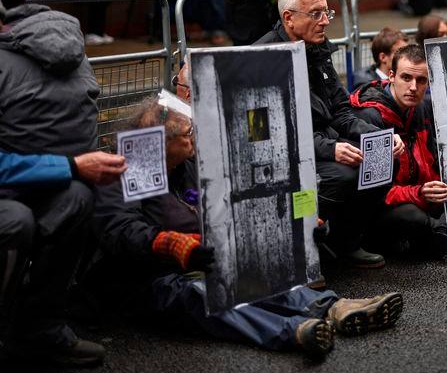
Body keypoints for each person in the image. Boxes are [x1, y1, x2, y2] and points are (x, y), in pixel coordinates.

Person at [87, 98, 403, 358]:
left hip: (202, 258)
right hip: (150, 278)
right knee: (204, 295)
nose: (195, 139)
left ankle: (332, 307)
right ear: (161, 141)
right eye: (188, 133)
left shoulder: (186, 165)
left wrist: (296, 225)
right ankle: (291, 331)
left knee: (252, 270)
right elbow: (120, 230)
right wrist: (172, 244)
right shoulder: (123, 170)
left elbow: (237, 205)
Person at [0, 0, 118, 365]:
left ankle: (37, 330)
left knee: (75, 199)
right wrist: (70, 166)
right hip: (20, 190)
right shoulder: (62, 45)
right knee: (15, 219)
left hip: (24, 180)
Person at [256, 0, 405, 268]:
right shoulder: (263, 58)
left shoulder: (317, 48)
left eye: (327, 13)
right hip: (283, 153)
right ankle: (309, 247)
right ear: (289, 18)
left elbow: (341, 110)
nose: (325, 21)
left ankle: (346, 241)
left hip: (320, 140)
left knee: (385, 160)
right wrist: (329, 149)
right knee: (342, 175)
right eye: (316, 14)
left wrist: (382, 137)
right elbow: (273, 132)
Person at [351, 45, 447, 258]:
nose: (414, 87)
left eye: (421, 80)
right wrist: (419, 193)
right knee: (415, 218)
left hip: (416, 194)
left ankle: (434, 236)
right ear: (391, 76)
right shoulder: (371, 117)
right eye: (406, 78)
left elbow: (432, 160)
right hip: (379, 211)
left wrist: (436, 188)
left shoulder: (420, 107)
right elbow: (375, 195)